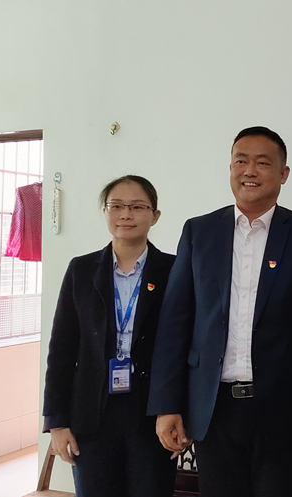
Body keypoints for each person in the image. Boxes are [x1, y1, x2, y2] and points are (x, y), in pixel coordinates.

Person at [147, 126, 292, 497]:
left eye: (262, 163)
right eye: (241, 161)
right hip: (213, 409)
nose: (249, 171)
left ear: (283, 174)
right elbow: (175, 324)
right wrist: (167, 404)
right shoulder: (199, 232)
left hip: (283, 412)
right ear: (230, 168)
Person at [42, 175, 177, 497]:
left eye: (137, 207)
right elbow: (61, 350)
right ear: (105, 211)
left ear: (155, 215)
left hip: (153, 414)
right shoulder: (82, 270)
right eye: (116, 206)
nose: (125, 214)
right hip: (92, 415)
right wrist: (57, 422)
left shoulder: (174, 270)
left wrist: (179, 412)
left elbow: (184, 348)